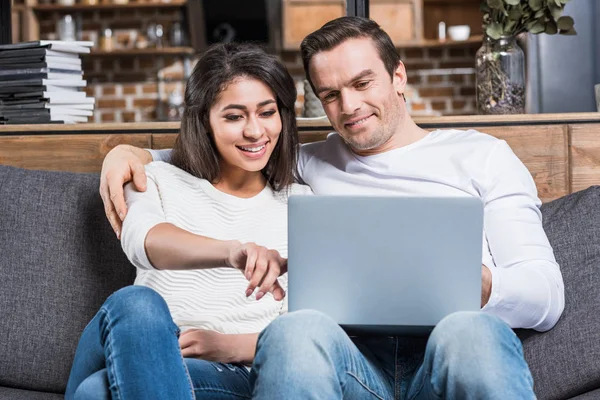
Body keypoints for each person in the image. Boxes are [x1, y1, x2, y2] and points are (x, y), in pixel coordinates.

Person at [98, 17, 565, 400]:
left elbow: (545, 295)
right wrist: (130, 154)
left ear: (398, 76)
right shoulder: (309, 161)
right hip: (350, 362)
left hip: (449, 348)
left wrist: (482, 285)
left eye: (364, 83)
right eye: (331, 95)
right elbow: (224, 150)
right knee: (295, 331)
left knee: (472, 331)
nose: (351, 107)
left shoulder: (482, 156)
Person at [65, 42, 312, 400]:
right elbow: (142, 240)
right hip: (148, 343)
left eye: (267, 112)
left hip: (234, 373)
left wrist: (227, 345)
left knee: (96, 391)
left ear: (283, 117)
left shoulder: (302, 204)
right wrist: (232, 252)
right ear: (205, 121)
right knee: (134, 304)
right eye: (234, 116)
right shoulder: (156, 179)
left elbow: (312, 332)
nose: (255, 131)